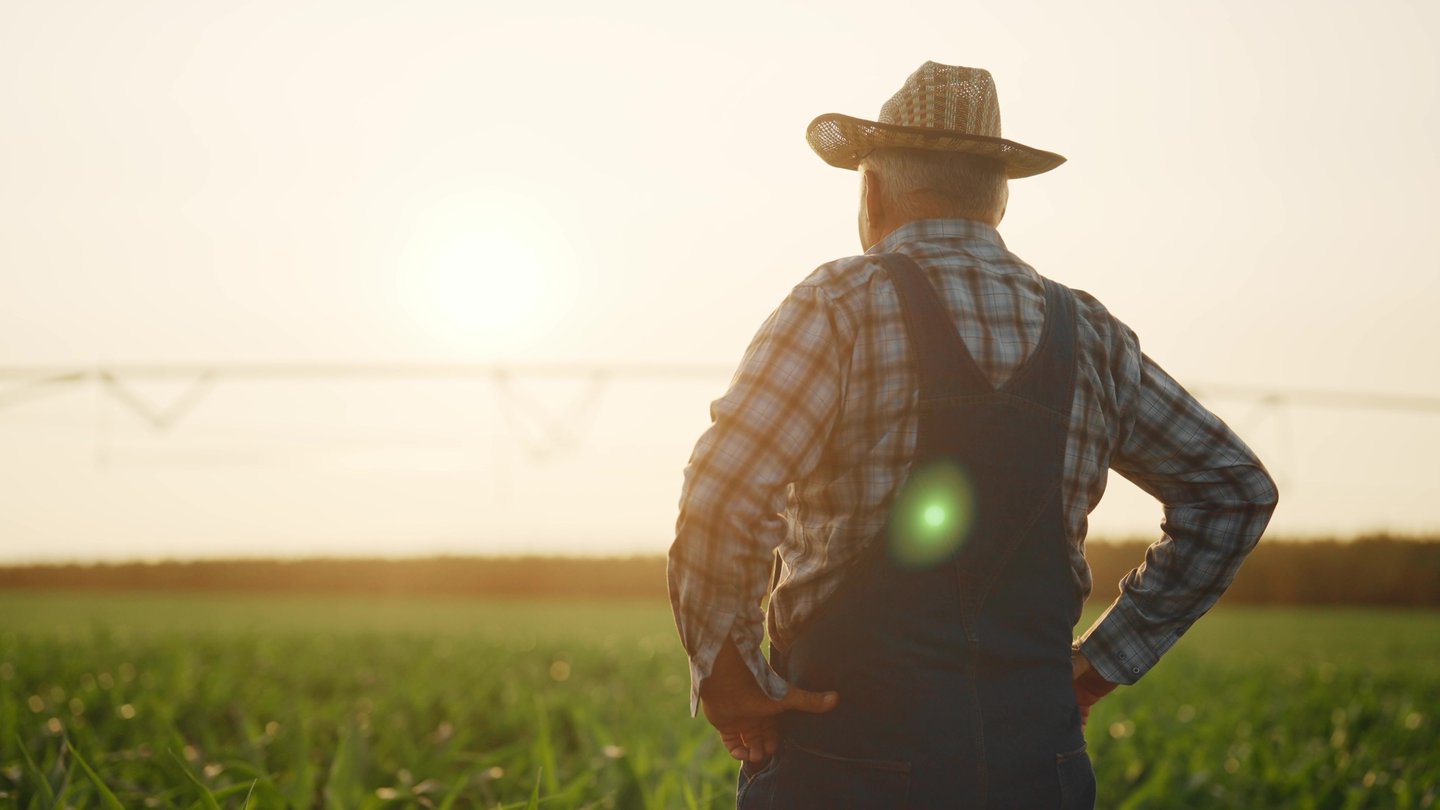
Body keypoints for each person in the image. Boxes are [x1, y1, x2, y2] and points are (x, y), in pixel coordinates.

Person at [667, 62, 1278, 809]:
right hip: (1039, 765)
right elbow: (1235, 489)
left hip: (847, 759)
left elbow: (726, 487)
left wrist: (727, 670)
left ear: (872, 190)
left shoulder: (841, 303)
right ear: (999, 198)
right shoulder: (1090, 333)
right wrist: (1101, 665)